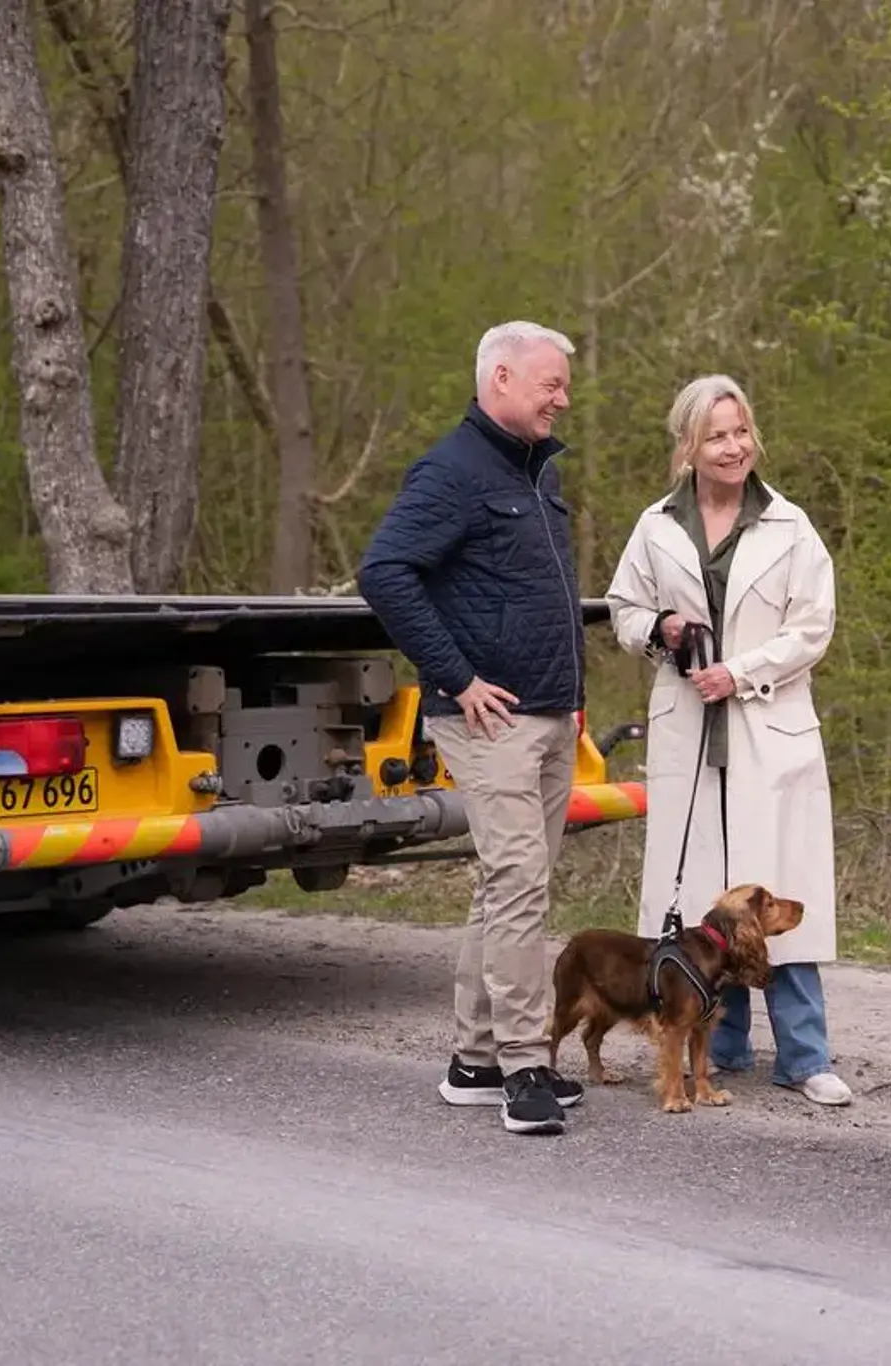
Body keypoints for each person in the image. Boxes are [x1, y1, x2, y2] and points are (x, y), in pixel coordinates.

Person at [358, 320, 590, 1137]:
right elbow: (384, 571)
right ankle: (527, 1066)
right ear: (499, 379)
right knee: (521, 884)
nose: (563, 397)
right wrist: (455, 677)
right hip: (489, 718)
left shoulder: (534, 476)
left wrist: (571, 695)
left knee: (509, 888)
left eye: (563, 384)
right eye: (549, 383)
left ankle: (474, 1059)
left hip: (550, 713)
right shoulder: (453, 472)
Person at [604, 374, 852, 1107]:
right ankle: (726, 1044)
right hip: (689, 735)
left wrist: (738, 673)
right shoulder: (655, 525)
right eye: (716, 435)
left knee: (778, 893)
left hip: (767, 729)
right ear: (688, 445)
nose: (734, 446)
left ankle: (805, 1056)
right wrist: (661, 631)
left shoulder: (790, 525)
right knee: (704, 901)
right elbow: (623, 607)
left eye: (741, 431)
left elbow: (813, 627)